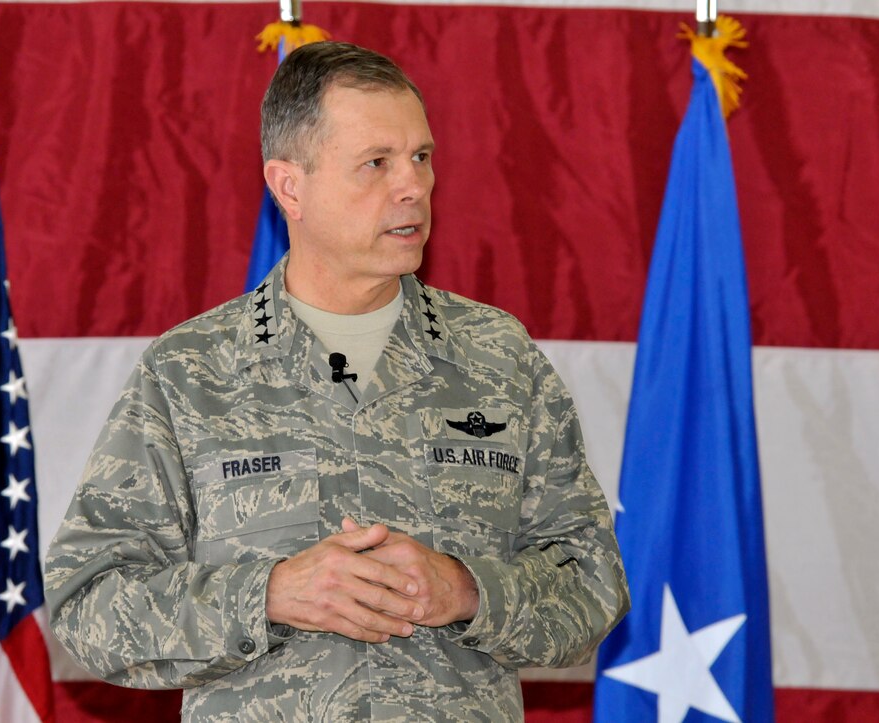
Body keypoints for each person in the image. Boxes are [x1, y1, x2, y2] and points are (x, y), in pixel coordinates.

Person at [44, 40, 629, 721]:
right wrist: (268, 594)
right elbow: (85, 602)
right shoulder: (190, 372)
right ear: (290, 186)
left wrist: (468, 589)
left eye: (421, 157)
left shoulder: (498, 358)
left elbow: (594, 581)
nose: (412, 185)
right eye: (375, 164)